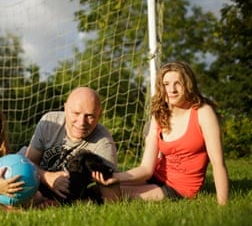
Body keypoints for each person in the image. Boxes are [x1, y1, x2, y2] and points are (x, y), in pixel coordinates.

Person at [98, 61, 229, 205]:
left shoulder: (203, 112)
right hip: (155, 177)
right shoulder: (160, 115)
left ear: (188, 84)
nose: (171, 90)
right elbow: (147, 168)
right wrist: (117, 177)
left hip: (180, 188)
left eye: (178, 83)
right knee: (101, 188)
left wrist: (223, 205)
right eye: (166, 84)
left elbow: (218, 164)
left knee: (110, 195)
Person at [25, 86, 121, 204]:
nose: (81, 123)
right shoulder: (50, 123)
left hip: (69, 194)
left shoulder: (103, 143)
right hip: (38, 181)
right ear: (65, 108)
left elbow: (113, 197)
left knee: (87, 162)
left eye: (89, 116)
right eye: (76, 113)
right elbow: (28, 163)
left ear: (99, 114)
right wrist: (48, 177)